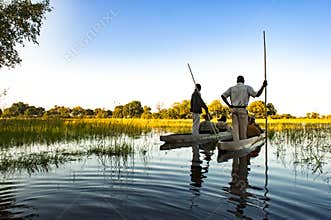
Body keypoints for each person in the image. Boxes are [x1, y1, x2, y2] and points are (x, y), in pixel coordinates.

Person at [221, 75, 267, 141]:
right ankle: (243, 143)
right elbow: (257, 95)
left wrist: (229, 105)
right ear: (243, 81)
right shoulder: (247, 87)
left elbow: (223, 96)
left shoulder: (232, 88)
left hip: (233, 110)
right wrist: (263, 86)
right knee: (243, 129)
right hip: (242, 110)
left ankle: (236, 142)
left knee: (235, 129)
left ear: (237, 81)